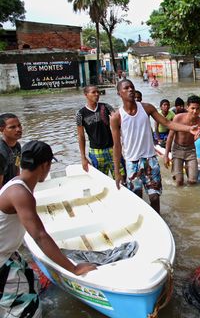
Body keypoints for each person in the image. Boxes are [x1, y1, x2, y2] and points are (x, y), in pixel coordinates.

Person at [0, 140, 96, 318]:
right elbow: (39, 236)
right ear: (45, 165)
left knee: (32, 281)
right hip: (1, 258)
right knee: (26, 311)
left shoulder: (18, 183)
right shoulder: (20, 193)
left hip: (8, 251)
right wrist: (73, 269)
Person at [111, 80, 200, 214]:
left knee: (154, 196)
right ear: (119, 93)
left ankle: (159, 220)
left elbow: (167, 123)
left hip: (150, 159)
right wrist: (117, 171)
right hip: (131, 161)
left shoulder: (147, 108)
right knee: (137, 196)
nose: (130, 90)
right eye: (126, 88)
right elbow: (116, 145)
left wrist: (188, 129)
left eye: (132, 87)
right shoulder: (117, 117)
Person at [164, 95, 200, 186]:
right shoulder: (178, 118)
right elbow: (170, 137)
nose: (195, 111)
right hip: (177, 150)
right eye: (192, 108)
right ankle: (176, 176)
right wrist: (166, 155)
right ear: (187, 107)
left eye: (197, 109)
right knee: (179, 182)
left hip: (191, 151)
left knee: (192, 181)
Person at [76, 85, 124, 179]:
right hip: (95, 152)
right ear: (86, 95)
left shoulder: (105, 107)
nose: (97, 94)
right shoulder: (80, 114)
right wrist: (83, 157)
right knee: (101, 180)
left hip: (112, 148)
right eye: (93, 92)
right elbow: (81, 136)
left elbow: (118, 120)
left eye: (98, 92)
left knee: (122, 177)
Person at [0, 113, 22, 189]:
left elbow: (17, 166)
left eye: (19, 125)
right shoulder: (1, 153)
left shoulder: (17, 146)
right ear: (1, 129)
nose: (18, 129)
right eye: (12, 127)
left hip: (11, 188)